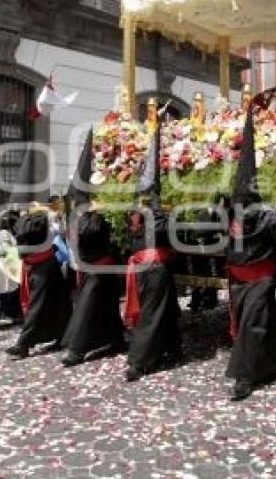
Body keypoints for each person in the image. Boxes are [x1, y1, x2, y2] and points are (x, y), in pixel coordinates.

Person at [225, 104, 276, 401]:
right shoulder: (229, 212)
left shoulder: (269, 215)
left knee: (252, 324)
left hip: (260, 277)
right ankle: (271, 364)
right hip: (239, 278)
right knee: (262, 321)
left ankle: (243, 377)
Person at [124, 115, 181, 382]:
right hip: (154, 268)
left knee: (166, 307)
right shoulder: (156, 217)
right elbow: (169, 234)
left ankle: (173, 347)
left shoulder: (133, 214)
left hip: (147, 266)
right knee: (153, 313)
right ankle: (139, 361)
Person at [60, 211, 125, 367]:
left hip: (99, 272)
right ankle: (115, 340)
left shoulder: (93, 226)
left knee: (87, 310)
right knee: (107, 309)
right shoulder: (90, 225)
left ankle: (77, 350)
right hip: (98, 270)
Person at [5, 210, 72, 358]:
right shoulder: (35, 229)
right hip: (43, 264)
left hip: (43, 267)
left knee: (38, 305)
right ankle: (61, 336)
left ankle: (23, 344)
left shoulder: (33, 229)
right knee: (57, 304)